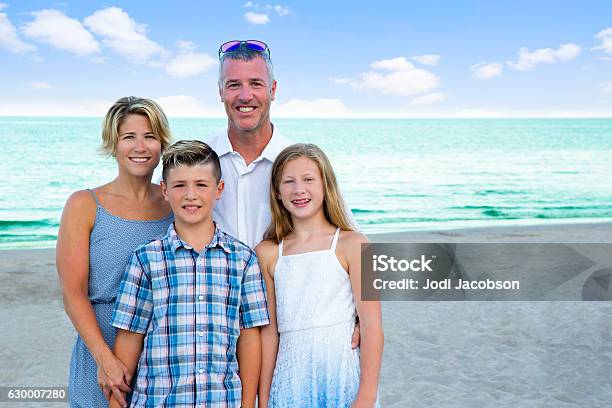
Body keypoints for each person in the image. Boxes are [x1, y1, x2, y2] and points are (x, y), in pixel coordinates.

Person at [109, 140, 270, 408]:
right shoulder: (145, 259)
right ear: (165, 190)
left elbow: (250, 337)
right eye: (180, 185)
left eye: (201, 185)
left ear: (219, 189)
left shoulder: (243, 260)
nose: (190, 194)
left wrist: (247, 404)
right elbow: (129, 339)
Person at [56, 96, 173, 407]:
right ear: (113, 143)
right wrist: (104, 360)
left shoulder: (176, 204)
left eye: (150, 136)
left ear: (162, 144)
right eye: (129, 137)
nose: (140, 147)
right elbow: (73, 294)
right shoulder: (84, 205)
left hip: (162, 357)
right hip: (101, 353)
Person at [256, 144, 383, 408]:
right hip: (291, 377)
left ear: (326, 185)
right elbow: (269, 334)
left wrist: (367, 397)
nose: (299, 189)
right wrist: (264, 399)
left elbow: (372, 327)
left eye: (308, 179)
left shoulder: (356, 245)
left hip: (343, 375)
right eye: (288, 182)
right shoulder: (267, 253)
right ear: (277, 193)